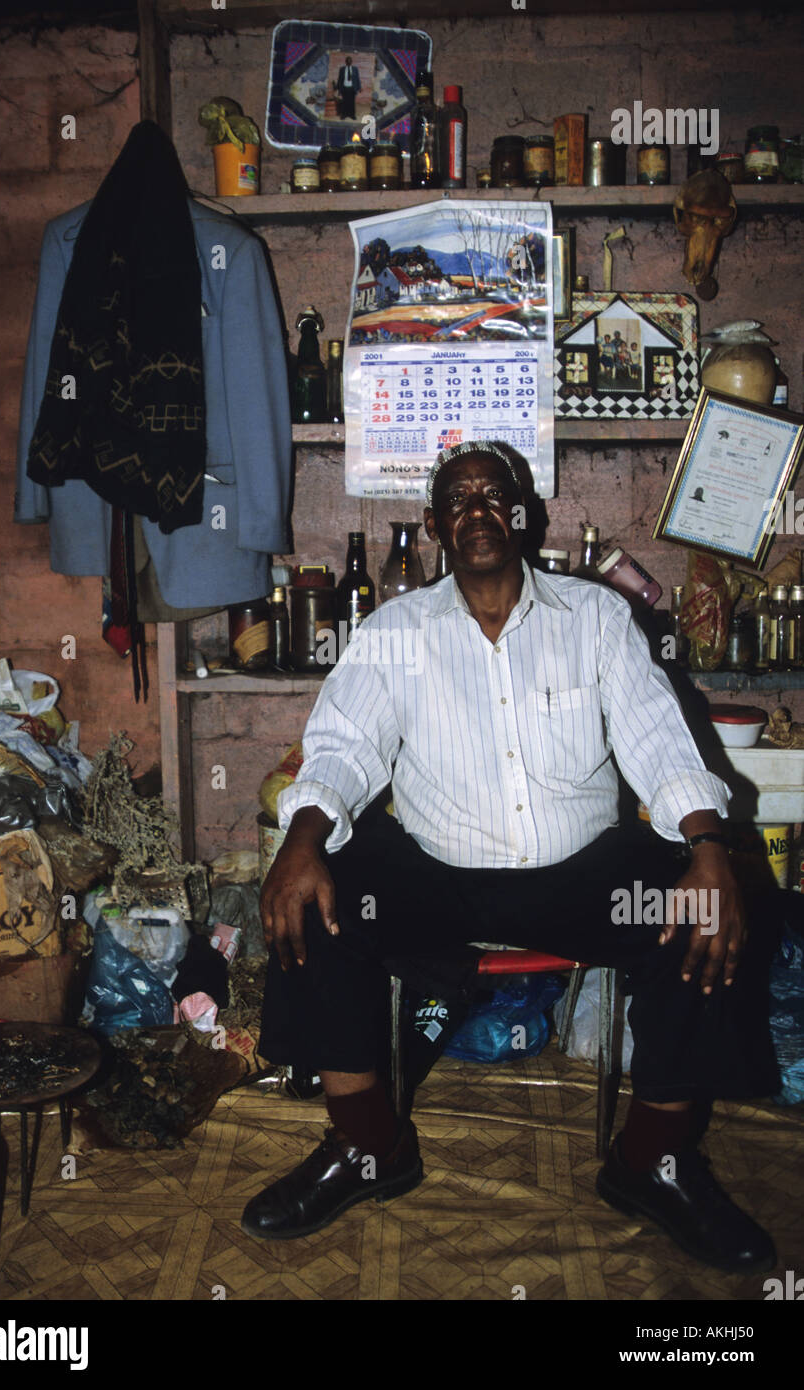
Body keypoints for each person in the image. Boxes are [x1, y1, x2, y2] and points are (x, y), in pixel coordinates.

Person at [243, 440, 778, 1274]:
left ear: (523, 515)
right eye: (458, 501)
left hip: (579, 876)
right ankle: (367, 1145)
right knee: (315, 898)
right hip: (434, 874)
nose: (478, 513)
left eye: (496, 496)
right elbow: (342, 750)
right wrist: (301, 839)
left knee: (698, 907)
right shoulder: (396, 631)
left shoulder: (594, 618)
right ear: (432, 527)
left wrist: (709, 848)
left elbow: (655, 738)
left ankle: (652, 1161)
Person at [334, 55, 361, 121]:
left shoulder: (355, 69)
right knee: (344, 102)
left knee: (352, 102)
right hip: (344, 87)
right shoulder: (342, 69)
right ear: (345, 62)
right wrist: (338, 89)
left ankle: (352, 115)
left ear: (351, 62)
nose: (349, 61)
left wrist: (359, 87)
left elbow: (357, 78)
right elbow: (340, 79)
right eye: (347, 60)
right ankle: (344, 115)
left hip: (352, 88)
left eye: (350, 60)